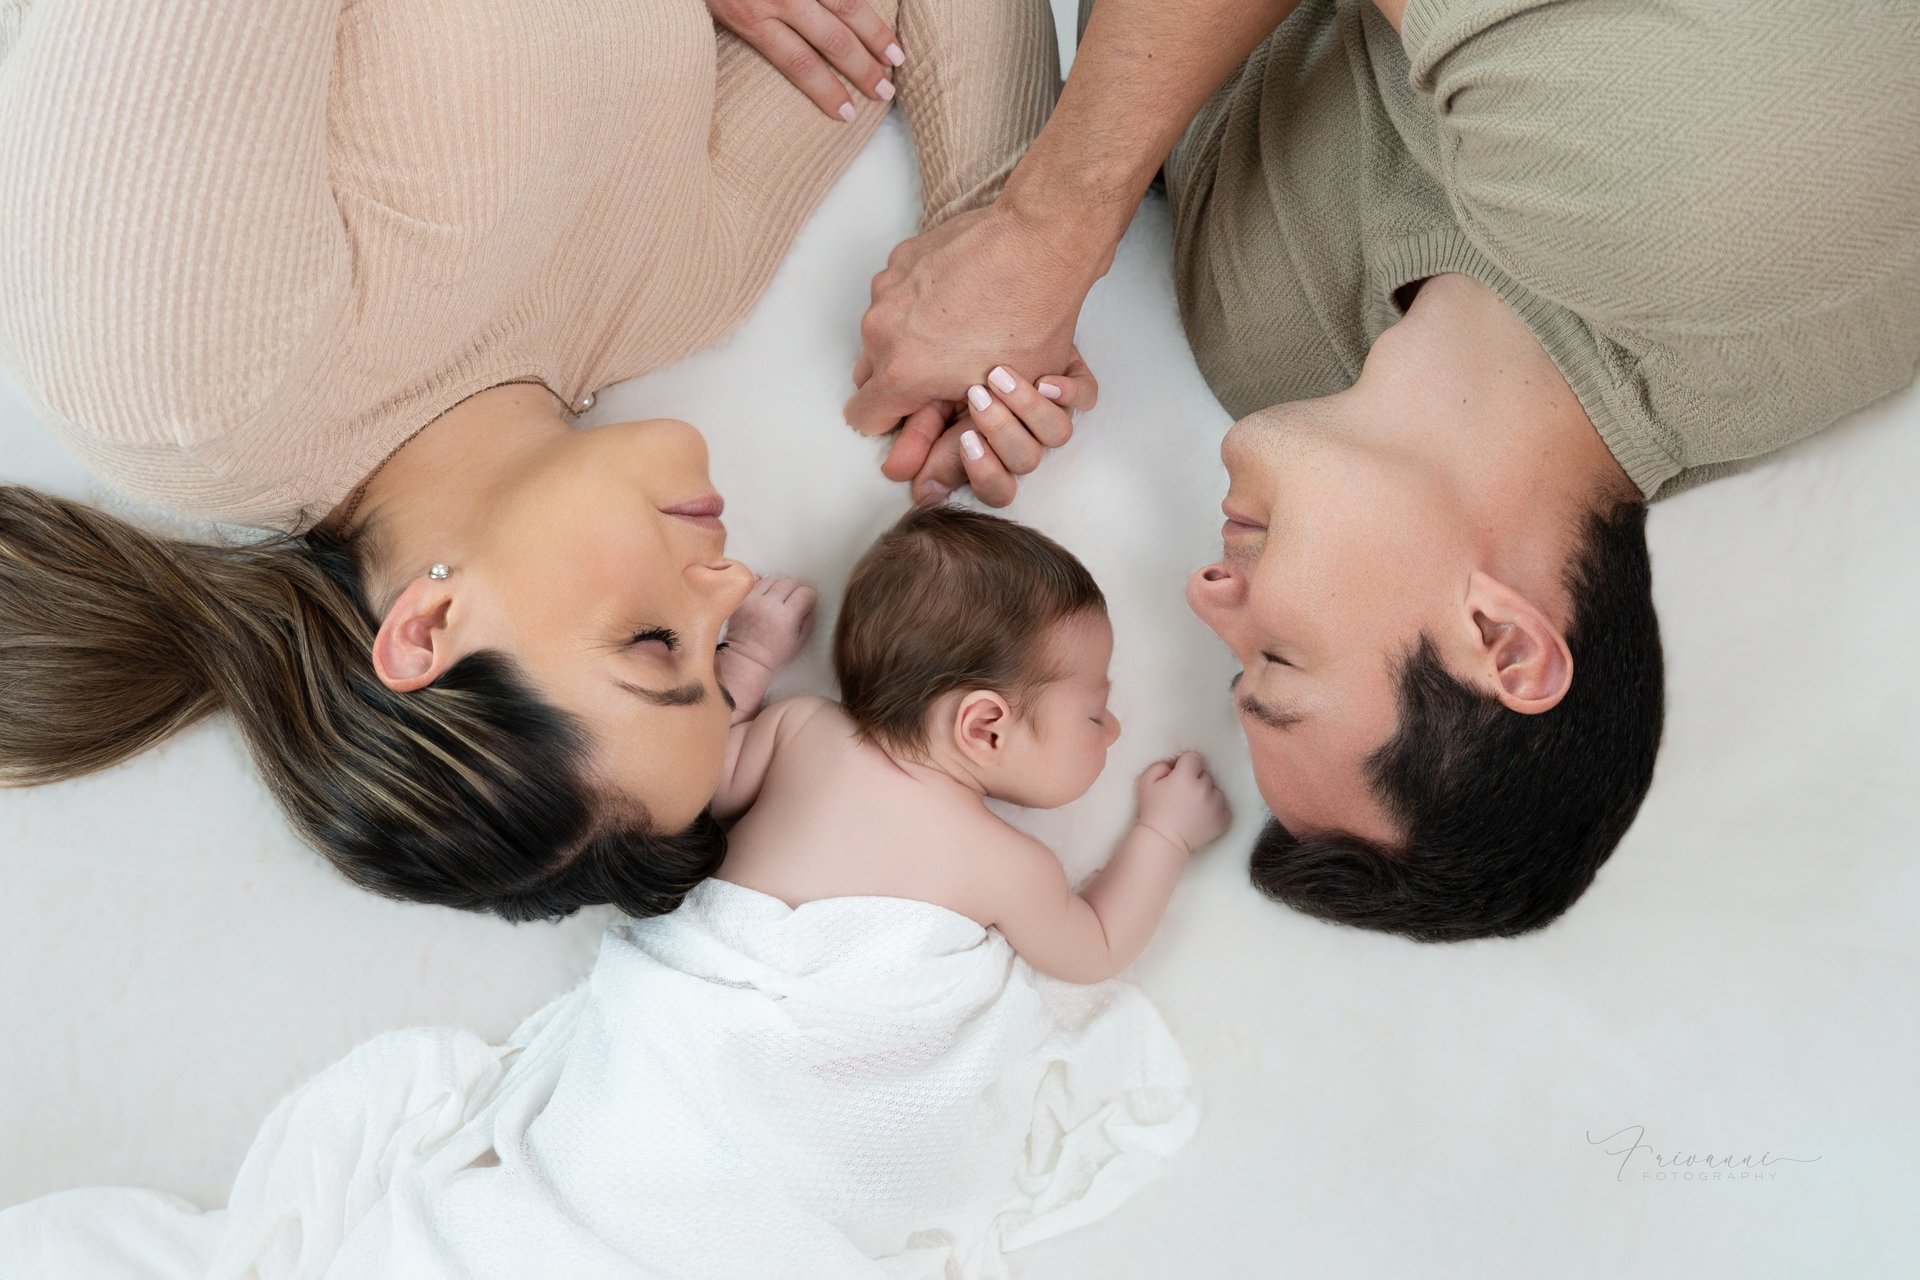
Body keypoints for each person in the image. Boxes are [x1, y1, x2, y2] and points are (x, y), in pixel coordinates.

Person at [845, 0, 1920, 940]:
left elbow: (1123, 76)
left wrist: (987, 301)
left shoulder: (1266, 345)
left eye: (1234, 666)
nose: (1209, 596)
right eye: (1280, 663)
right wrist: (1049, 233)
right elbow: (1076, 191)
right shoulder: (1712, 224)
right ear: (1500, 635)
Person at [0, 0, 1074, 919]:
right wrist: (1000, 255)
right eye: (720, 653)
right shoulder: (679, 286)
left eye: (656, 645)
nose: (732, 584)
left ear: (428, 626)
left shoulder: (192, 382)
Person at [715, 505, 1232, 983]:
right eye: (1094, 713)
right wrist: (1166, 833)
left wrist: (749, 657)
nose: (1114, 729)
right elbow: (1096, 948)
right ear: (986, 727)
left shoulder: (799, 727)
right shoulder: (1010, 867)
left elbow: (700, 780)